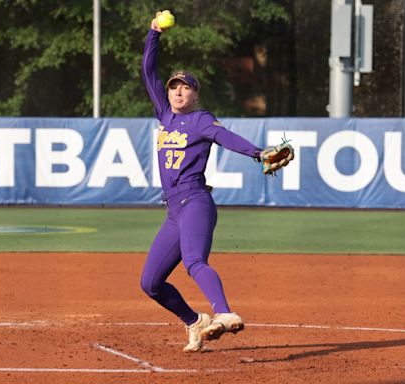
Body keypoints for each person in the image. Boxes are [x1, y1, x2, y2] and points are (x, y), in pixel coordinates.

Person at [139, 12, 265, 353]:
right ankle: (196, 322)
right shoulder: (164, 115)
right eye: (174, 87)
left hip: (195, 201)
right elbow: (148, 72)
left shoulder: (201, 120)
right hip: (173, 211)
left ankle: (224, 313)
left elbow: (226, 137)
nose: (179, 91)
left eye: (186, 87)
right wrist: (153, 34)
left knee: (195, 262)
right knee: (150, 283)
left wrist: (257, 153)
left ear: (196, 95)